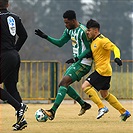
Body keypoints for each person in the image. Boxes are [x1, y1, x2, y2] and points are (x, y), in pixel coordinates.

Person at [35, 10, 108, 120]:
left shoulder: (83, 31)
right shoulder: (68, 30)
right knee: (63, 85)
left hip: (84, 63)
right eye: (64, 23)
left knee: (64, 83)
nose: (66, 25)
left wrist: (77, 58)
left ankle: (52, 111)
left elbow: (89, 49)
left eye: (67, 22)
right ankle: (84, 104)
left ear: (73, 20)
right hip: (76, 62)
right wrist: (46, 37)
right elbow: (60, 43)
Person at [82, 19, 131, 121]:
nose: (87, 32)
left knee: (85, 86)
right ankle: (124, 112)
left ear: (96, 31)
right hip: (106, 71)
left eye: (89, 30)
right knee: (105, 94)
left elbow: (115, 48)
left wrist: (117, 57)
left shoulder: (103, 40)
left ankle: (101, 107)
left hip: (102, 70)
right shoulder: (94, 41)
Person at [0, 0, 28, 130]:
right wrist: (14, 50)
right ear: (8, 4)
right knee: (11, 87)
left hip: (4, 56)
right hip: (14, 56)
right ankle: (21, 120)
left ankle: (19, 107)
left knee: (9, 88)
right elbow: (24, 35)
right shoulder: (15, 17)